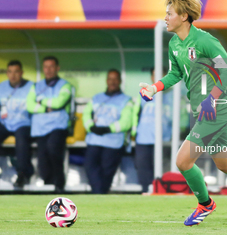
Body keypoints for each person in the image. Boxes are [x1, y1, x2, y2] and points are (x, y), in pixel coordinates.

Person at [139, 0, 227, 226]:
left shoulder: (205, 41)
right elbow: (176, 74)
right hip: (201, 112)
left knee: (183, 161)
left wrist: (211, 98)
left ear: (183, 16)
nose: (166, 18)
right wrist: (155, 88)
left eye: (169, 14)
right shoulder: (174, 43)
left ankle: (205, 204)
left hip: (215, 110)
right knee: (226, 164)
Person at [82, 69, 133, 194]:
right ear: (106, 80)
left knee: (106, 171)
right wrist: (91, 127)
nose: (113, 82)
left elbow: (126, 122)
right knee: (89, 166)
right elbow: (86, 115)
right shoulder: (96, 98)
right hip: (94, 139)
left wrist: (107, 129)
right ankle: (98, 194)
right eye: (110, 79)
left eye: (115, 79)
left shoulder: (126, 100)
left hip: (113, 142)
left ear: (120, 81)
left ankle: (99, 194)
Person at [27, 56, 73, 192]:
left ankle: (59, 184)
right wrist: (46, 107)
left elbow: (59, 103)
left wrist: (40, 101)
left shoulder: (65, 85)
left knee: (53, 149)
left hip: (58, 125)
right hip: (40, 128)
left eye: (51, 66)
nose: (48, 70)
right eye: (46, 67)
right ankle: (48, 185)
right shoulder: (36, 86)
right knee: (43, 157)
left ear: (57, 68)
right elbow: (29, 105)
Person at [132, 68, 172, 193]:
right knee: (143, 170)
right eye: (155, 75)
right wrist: (134, 133)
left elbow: (179, 118)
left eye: (161, 75)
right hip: (143, 138)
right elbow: (136, 114)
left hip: (163, 140)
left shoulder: (172, 96)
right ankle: (145, 193)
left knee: (162, 171)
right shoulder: (144, 93)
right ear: (151, 77)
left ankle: (161, 194)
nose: (158, 77)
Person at [0, 60, 34, 188]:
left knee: (21, 141)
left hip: (23, 122)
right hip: (4, 123)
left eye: (16, 72)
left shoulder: (31, 86)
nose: (13, 75)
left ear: (22, 73)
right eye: (10, 72)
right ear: (7, 73)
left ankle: (23, 175)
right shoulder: (1, 87)